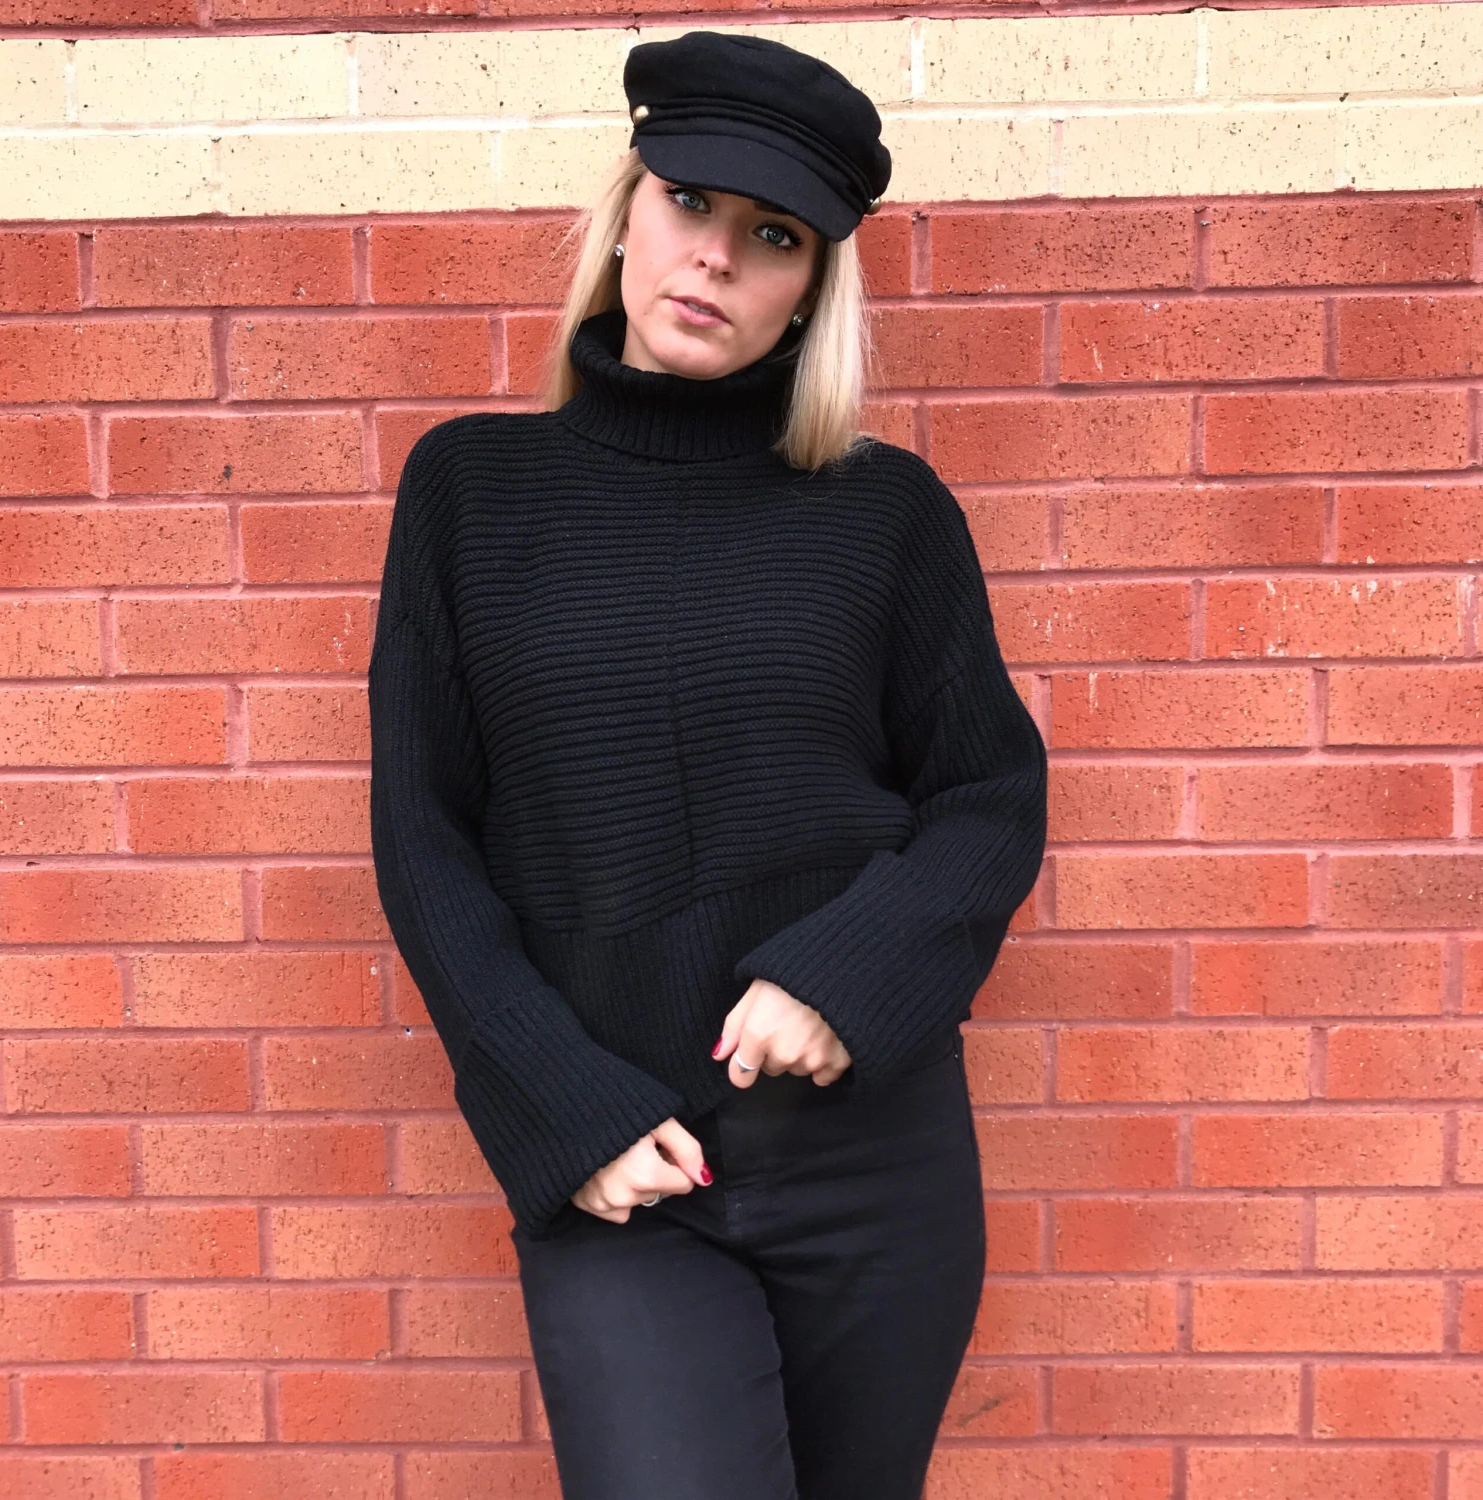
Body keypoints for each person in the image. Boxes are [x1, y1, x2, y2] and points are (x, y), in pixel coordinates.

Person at [367, 28, 1048, 1500]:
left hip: (873, 1170)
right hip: (626, 1173)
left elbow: (987, 797)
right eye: (689, 202)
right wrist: (565, 1112)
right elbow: (426, 844)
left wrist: (842, 979)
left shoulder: (887, 513)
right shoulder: (471, 494)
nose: (717, 258)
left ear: (813, 285)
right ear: (627, 214)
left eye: (774, 235)